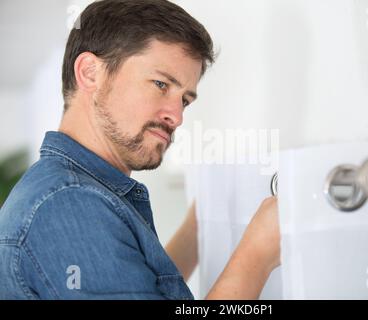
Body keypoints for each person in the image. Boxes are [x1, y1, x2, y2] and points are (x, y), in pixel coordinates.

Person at [0, 0, 280, 300]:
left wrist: (195, 229)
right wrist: (257, 255)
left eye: (184, 99)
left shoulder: (73, 192)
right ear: (90, 72)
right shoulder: (69, 203)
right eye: (161, 84)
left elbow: (132, 287)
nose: (177, 116)